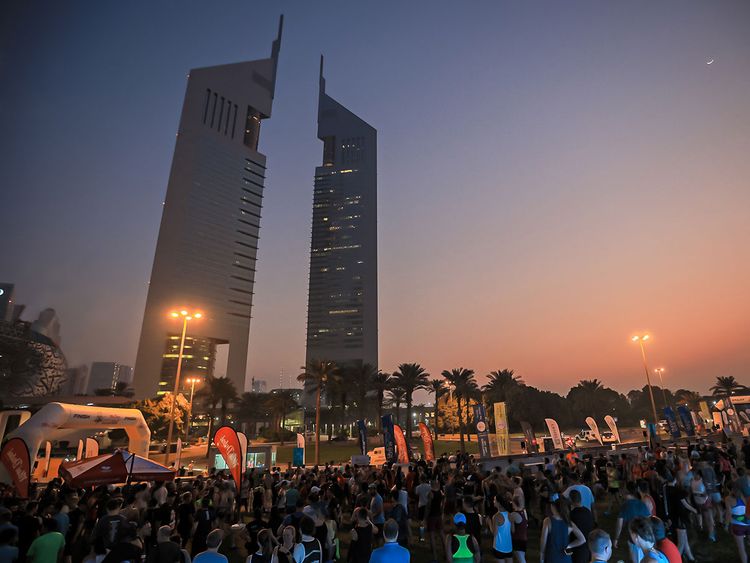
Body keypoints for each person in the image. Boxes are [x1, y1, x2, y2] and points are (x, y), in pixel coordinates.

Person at [539, 496, 585, 563]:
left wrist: (541, 556)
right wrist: (570, 545)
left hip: (552, 557)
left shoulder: (547, 521)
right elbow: (582, 539)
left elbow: (543, 542)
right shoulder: (569, 523)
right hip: (566, 558)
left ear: (553, 507)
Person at [613, 482, 650, 563]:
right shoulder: (642, 503)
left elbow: (619, 524)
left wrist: (616, 538)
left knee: (635, 559)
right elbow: (649, 520)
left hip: (633, 539)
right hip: (645, 539)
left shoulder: (625, 505)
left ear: (626, 491)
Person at [725, 483, 749, 563]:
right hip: (748, 523)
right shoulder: (745, 497)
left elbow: (729, 514)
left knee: (741, 548)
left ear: (729, 489)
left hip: (737, 526)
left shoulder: (728, 499)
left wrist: (726, 525)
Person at [569, 490, 593, 563]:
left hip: (576, 548)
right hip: (588, 547)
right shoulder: (588, 511)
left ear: (570, 500)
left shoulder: (571, 515)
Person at [488, 495, 513, 563]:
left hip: (499, 546)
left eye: (494, 500)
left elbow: (494, 533)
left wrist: (489, 522)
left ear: (499, 503)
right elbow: (513, 530)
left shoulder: (496, 517)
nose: (493, 502)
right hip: (509, 546)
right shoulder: (510, 515)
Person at [509, 496, 528, 563]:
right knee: (522, 558)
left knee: (521, 560)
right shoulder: (524, 512)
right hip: (524, 539)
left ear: (514, 503)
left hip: (517, 540)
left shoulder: (513, 514)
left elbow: (512, 530)